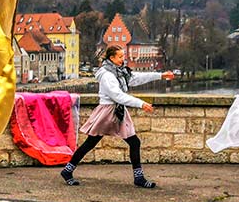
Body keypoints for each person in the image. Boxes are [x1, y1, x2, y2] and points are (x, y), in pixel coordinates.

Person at [60, 45, 174, 188]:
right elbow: (117, 95)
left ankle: (138, 177)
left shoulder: (119, 71)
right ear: (111, 58)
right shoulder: (107, 75)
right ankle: (67, 170)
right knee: (91, 142)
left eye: (123, 56)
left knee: (134, 142)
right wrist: (140, 104)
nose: (123, 59)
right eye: (120, 57)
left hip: (118, 110)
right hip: (108, 111)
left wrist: (160, 75)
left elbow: (136, 78)